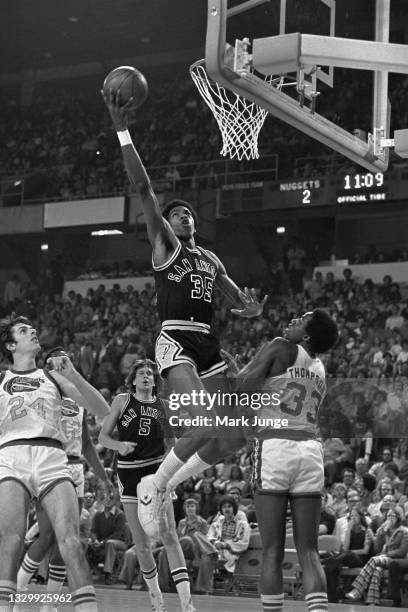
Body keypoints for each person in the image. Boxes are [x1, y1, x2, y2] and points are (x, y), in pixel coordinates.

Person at [102, 89, 267, 537]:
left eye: (189, 214)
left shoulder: (212, 260)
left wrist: (248, 310)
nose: (185, 217)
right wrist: (121, 130)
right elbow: (144, 188)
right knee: (204, 423)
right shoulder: (166, 247)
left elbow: (235, 298)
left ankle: (165, 483)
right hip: (175, 337)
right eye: (177, 214)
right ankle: (155, 485)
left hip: (208, 340)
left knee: (231, 438)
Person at [0, 315, 110, 612]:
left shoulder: (54, 378)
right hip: (12, 456)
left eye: (33, 328)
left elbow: (103, 410)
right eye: (24, 331)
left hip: (52, 457)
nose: (33, 331)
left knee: (71, 543)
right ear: (11, 345)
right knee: (10, 541)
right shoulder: (1, 380)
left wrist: (74, 375)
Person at [240, 309, 339, 612]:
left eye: (301, 319)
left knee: (272, 550)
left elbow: (242, 387)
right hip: (309, 451)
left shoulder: (280, 346)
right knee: (309, 550)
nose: (294, 320)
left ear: (306, 335)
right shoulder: (321, 367)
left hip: (275, 447)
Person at [98, 359, 196, 612]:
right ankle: (156, 601)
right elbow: (102, 437)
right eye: (141, 373)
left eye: (150, 374)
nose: (146, 377)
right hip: (129, 474)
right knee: (140, 543)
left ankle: (187, 604)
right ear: (132, 380)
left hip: (155, 472)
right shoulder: (122, 400)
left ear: (155, 381)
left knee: (169, 535)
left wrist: (175, 472)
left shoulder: (163, 405)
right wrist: (118, 446)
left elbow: (172, 442)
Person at [17, 392, 108, 604]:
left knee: (66, 540)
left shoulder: (80, 402)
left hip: (76, 468)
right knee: (47, 535)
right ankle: (18, 592)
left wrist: (103, 476)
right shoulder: (42, 395)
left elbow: (86, 445)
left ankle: (51, 604)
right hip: (51, 464)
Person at [345, 507, 408, 605]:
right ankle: (372, 602)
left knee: (374, 560)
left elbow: (401, 552)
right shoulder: (385, 530)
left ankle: (358, 589)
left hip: (396, 560)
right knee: (377, 570)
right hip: (383, 559)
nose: (389, 518)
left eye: (392, 516)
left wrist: (386, 554)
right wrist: (380, 536)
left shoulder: (404, 531)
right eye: (388, 516)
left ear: (398, 518)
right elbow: (377, 549)